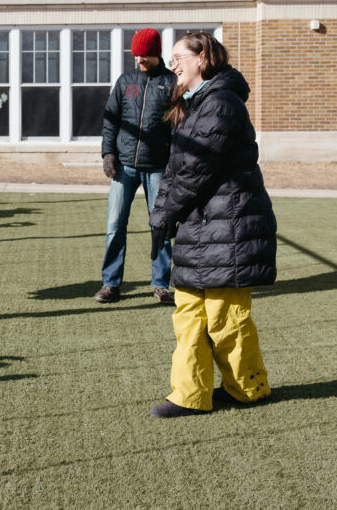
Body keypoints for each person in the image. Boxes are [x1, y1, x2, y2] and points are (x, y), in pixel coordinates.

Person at [146, 32, 277, 418]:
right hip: (200, 226)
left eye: (178, 57)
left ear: (202, 57)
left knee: (225, 319)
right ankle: (190, 394)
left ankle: (248, 388)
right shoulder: (195, 104)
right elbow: (175, 168)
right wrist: (162, 215)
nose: (173, 66)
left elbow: (196, 170)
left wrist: (163, 216)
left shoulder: (220, 103)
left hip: (228, 229)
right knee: (188, 315)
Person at [96, 28, 178, 305]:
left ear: (158, 53)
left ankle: (161, 285)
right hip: (124, 167)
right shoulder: (125, 81)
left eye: (145, 54)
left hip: (158, 168)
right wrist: (109, 154)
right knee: (114, 225)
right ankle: (111, 284)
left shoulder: (171, 82)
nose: (140, 58)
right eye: (137, 54)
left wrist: (174, 163)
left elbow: (179, 127)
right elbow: (110, 121)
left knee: (161, 227)